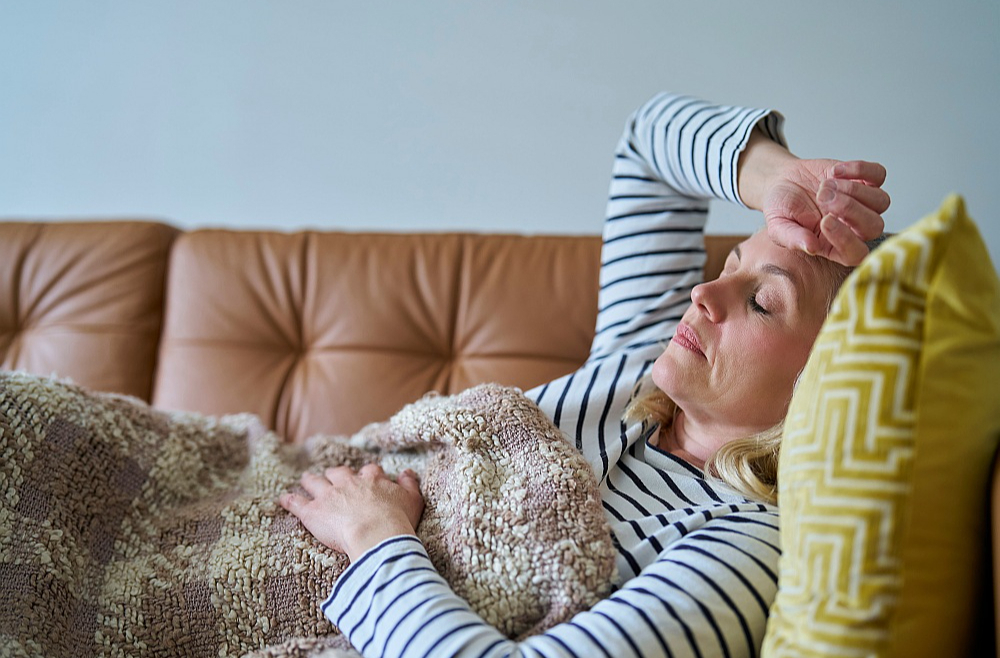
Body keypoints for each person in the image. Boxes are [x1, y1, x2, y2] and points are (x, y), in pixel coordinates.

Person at [278, 91, 889, 657]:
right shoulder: (638, 365)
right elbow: (650, 144)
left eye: (762, 302)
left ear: (831, 384)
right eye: (730, 263)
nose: (705, 291)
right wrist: (775, 176)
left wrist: (375, 537)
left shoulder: (749, 548)